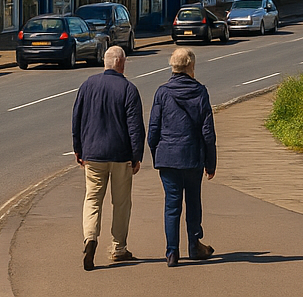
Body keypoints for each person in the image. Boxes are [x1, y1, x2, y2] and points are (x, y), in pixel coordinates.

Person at [71, 45, 144, 270]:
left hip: (93, 153)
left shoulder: (88, 85)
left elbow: (77, 119)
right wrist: (136, 156)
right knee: (121, 203)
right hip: (121, 155)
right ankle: (118, 248)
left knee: (92, 199)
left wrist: (78, 149)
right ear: (120, 63)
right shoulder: (128, 89)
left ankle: (90, 238)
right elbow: (135, 127)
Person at [148, 46, 217, 267]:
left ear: (172, 66)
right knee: (193, 203)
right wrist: (210, 162)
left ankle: (172, 252)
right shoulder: (200, 91)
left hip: (168, 157)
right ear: (191, 66)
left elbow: (153, 129)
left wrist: (156, 153)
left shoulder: (162, 92)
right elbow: (207, 131)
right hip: (192, 156)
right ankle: (194, 245)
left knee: (172, 205)